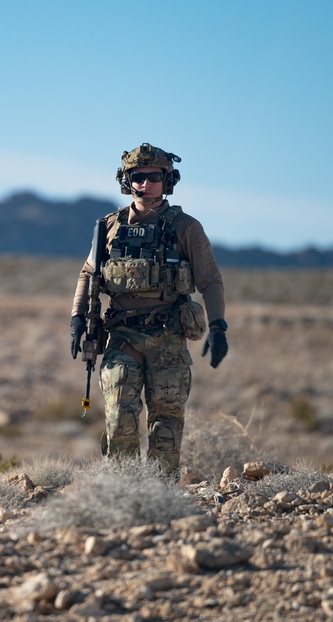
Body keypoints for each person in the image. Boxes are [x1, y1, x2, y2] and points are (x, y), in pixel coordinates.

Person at [70, 143, 228, 477]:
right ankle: (122, 495)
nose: (145, 183)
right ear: (126, 180)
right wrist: (77, 320)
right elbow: (88, 273)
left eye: (154, 176)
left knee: (166, 425)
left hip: (167, 339)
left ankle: (161, 495)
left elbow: (210, 281)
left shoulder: (186, 227)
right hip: (122, 338)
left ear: (167, 180)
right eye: (137, 176)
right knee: (119, 421)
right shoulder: (109, 227)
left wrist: (218, 327)